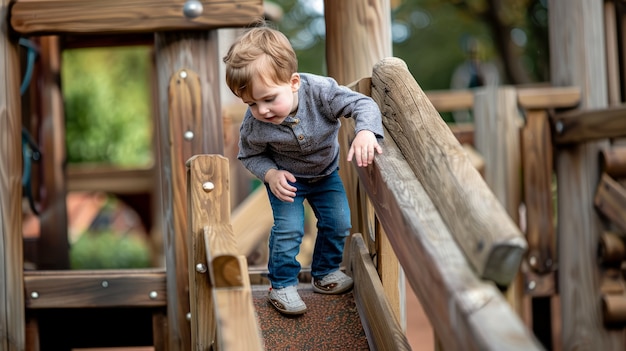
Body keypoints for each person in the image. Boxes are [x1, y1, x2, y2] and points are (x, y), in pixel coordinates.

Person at [223, 23, 384, 315]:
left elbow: (363, 104)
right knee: (289, 231)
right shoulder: (253, 124)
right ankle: (282, 285)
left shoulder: (321, 92)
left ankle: (324, 274)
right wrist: (270, 175)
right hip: (287, 183)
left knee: (338, 223)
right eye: (251, 103)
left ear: (294, 82)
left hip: (325, 176)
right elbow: (249, 156)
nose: (262, 111)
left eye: (269, 99)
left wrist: (366, 132)